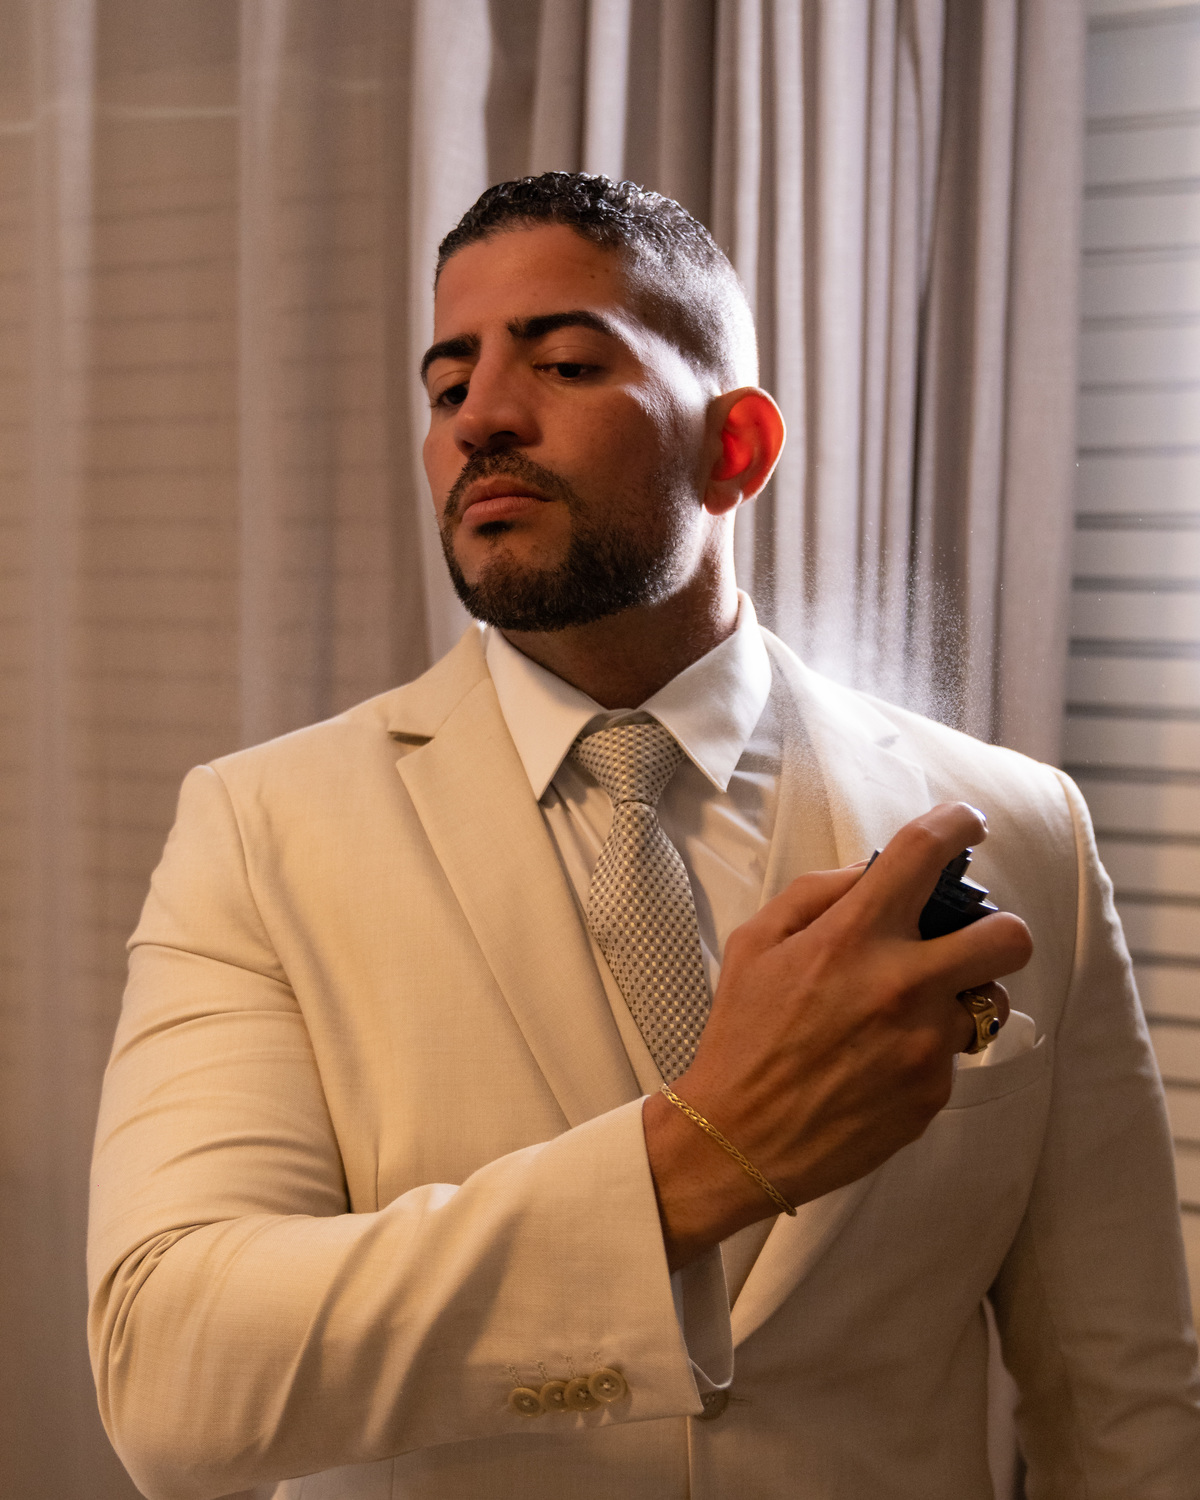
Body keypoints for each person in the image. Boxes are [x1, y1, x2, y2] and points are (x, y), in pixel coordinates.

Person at [88, 174, 1200, 1500]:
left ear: (736, 447)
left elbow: (1122, 1399)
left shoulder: (1024, 827)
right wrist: (698, 1161)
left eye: (562, 363)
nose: (481, 416)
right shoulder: (261, 830)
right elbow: (169, 1374)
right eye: (448, 386)